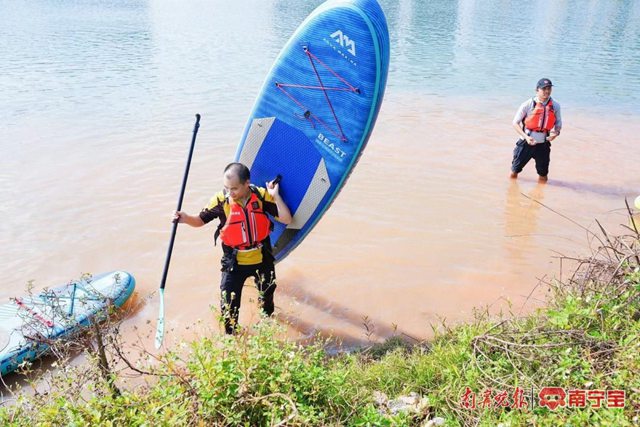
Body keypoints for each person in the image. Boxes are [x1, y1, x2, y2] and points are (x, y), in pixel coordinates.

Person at [173, 162, 292, 334]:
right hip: (234, 264)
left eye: (234, 188)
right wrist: (185, 218)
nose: (230, 192)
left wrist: (275, 196)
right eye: (227, 188)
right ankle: (233, 340)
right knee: (228, 309)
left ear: (247, 183)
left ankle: (266, 330)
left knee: (267, 303)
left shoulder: (260, 196)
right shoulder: (221, 200)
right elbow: (199, 220)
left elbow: (286, 219)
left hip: (262, 259)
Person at [510, 78, 562, 183]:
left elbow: (558, 125)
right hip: (526, 143)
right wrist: (526, 137)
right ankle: (512, 192)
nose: (547, 91)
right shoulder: (527, 104)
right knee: (514, 171)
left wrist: (555, 134)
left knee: (543, 174)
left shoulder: (555, 105)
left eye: (549, 88)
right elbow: (515, 123)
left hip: (543, 144)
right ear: (537, 90)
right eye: (544, 89)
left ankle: (540, 196)